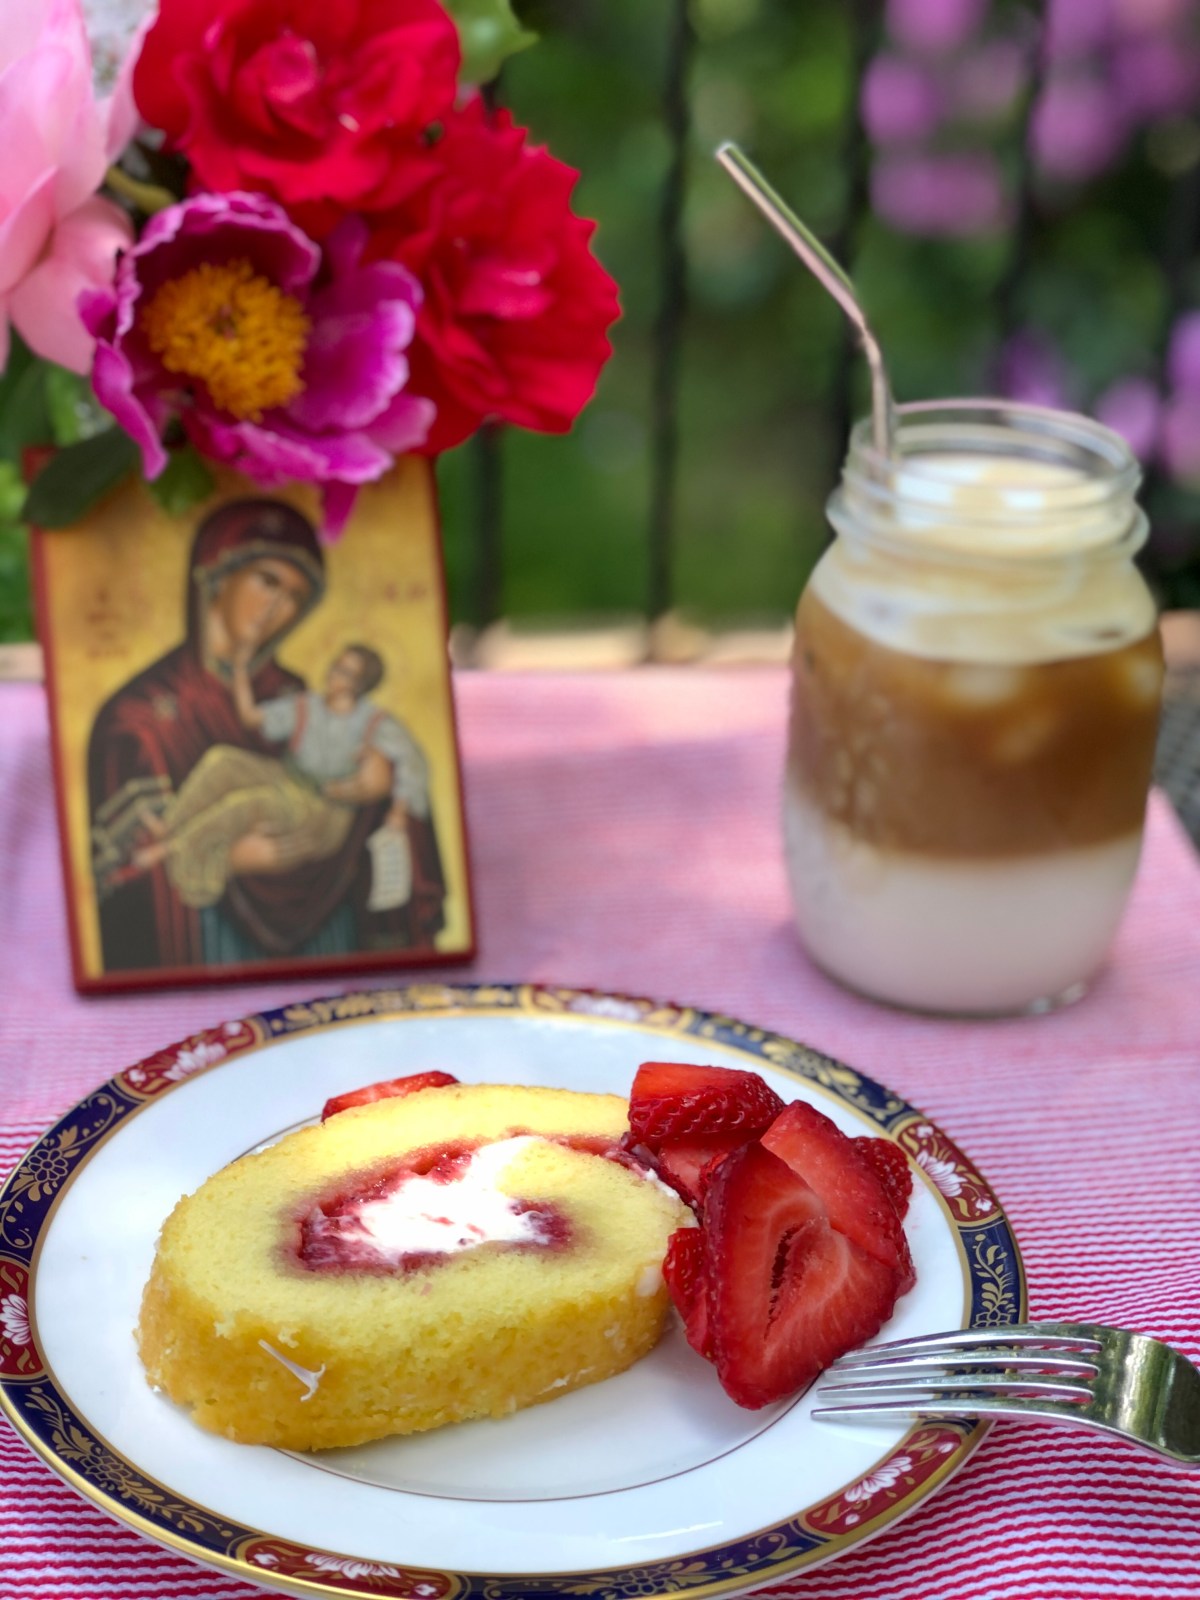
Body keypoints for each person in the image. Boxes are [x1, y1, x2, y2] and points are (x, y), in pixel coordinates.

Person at [88, 499, 446, 972]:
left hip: (327, 940)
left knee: (248, 798)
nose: (278, 606)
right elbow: (117, 882)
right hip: (206, 954)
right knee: (224, 767)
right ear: (216, 574)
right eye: (268, 580)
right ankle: (178, 839)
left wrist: (384, 786)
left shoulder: (297, 694)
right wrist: (232, 857)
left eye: (296, 596)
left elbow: (378, 785)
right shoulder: (141, 715)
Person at [130, 644, 432, 911]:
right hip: (289, 778)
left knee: (248, 803)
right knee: (223, 761)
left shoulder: (374, 721)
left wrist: (399, 812)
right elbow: (251, 717)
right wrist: (239, 671)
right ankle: (169, 827)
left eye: (345, 671)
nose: (333, 673)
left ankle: (173, 849)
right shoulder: (307, 705)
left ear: (359, 684)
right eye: (336, 665)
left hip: (324, 810)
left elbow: (413, 760)